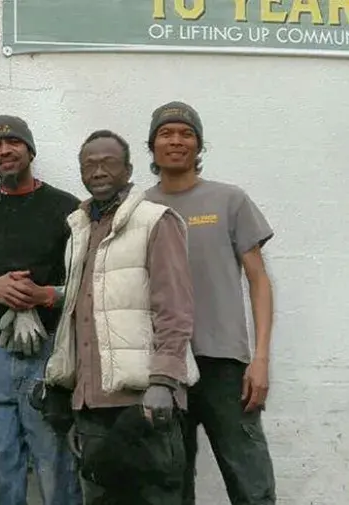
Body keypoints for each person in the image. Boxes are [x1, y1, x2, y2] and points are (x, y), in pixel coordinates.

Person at [43, 130, 198, 504]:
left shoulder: (155, 220)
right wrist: (73, 398)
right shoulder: (79, 228)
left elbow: (174, 309)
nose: (98, 171)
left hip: (145, 403)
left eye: (108, 163)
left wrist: (163, 382)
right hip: (92, 407)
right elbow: (77, 316)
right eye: (89, 165)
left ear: (128, 170)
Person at [141, 101, 277, 505]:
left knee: (252, 485)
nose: (176, 141)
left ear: (199, 146)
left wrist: (260, 359)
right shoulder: (140, 208)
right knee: (169, 488)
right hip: (165, 368)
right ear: (152, 146)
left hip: (225, 365)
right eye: (166, 133)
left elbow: (259, 280)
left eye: (186, 134)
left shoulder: (229, 199)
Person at [0, 114, 82, 505]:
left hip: (51, 356)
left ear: (30, 150)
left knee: (56, 466)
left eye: (13, 142)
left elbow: (87, 289)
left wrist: (43, 295)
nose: (4, 151)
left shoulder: (67, 209)